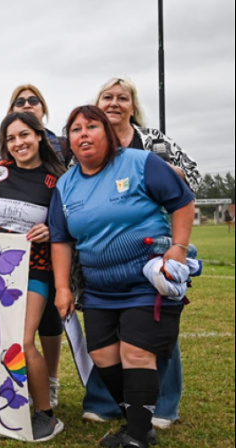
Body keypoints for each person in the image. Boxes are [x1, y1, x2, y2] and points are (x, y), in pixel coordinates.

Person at [50, 106, 195, 448]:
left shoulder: (139, 163)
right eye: (75, 129)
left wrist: (178, 248)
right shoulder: (65, 185)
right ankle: (138, 422)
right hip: (100, 287)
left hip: (148, 280)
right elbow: (61, 239)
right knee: (102, 357)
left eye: (92, 127)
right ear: (68, 141)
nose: (83, 134)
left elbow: (182, 201)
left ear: (108, 133)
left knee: (137, 354)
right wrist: (61, 288)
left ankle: (139, 435)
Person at [81, 77, 202, 429]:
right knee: (105, 331)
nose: (114, 103)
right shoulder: (89, 140)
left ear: (134, 107)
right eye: (107, 97)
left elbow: (192, 177)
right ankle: (105, 402)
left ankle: (163, 405)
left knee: (157, 325)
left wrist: (162, 173)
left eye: (123, 98)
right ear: (97, 104)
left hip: (155, 249)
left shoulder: (154, 142)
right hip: (103, 251)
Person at [0, 112, 66, 442]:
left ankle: (45, 414)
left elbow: (68, 227)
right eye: (12, 138)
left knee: (21, 339)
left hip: (35, 270)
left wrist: (52, 229)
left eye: (25, 135)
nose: (19, 143)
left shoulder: (57, 179)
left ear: (38, 137)